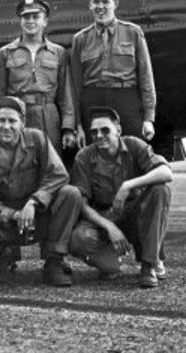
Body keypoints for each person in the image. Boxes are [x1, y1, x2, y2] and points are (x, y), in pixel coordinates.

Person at [0, 96, 83, 287]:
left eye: (12, 121)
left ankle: (54, 260)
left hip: (38, 216)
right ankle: (2, 255)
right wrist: (12, 214)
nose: (6, 126)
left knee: (70, 194)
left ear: (22, 122)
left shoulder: (37, 138)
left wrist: (34, 202)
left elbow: (59, 175)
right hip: (3, 221)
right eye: (1, 120)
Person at [69, 106, 172, 288]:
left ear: (118, 130)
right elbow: (81, 204)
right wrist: (110, 227)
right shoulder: (83, 157)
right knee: (78, 239)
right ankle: (110, 262)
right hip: (104, 217)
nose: (98, 135)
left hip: (134, 215)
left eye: (105, 130)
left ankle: (149, 264)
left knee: (160, 191)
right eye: (94, 132)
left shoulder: (134, 144)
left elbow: (166, 172)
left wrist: (128, 185)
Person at [0, 0, 78, 169]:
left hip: (49, 114)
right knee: (19, 164)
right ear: (20, 21)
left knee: (51, 163)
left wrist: (68, 128)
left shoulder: (58, 53)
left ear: (45, 21)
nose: (30, 21)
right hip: (17, 116)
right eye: (26, 17)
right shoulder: (5, 53)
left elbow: (66, 94)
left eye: (36, 17)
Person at [70, 0, 157, 142]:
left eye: (105, 1)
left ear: (115, 4)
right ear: (90, 5)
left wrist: (148, 119)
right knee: (96, 156)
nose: (100, 7)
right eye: (95, 2)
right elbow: (75, 87)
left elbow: (146, 77)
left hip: (126, 101)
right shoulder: (80, 39)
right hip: (92, 103)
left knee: (131, 153)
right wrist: (78, 125)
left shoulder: (133, 32)